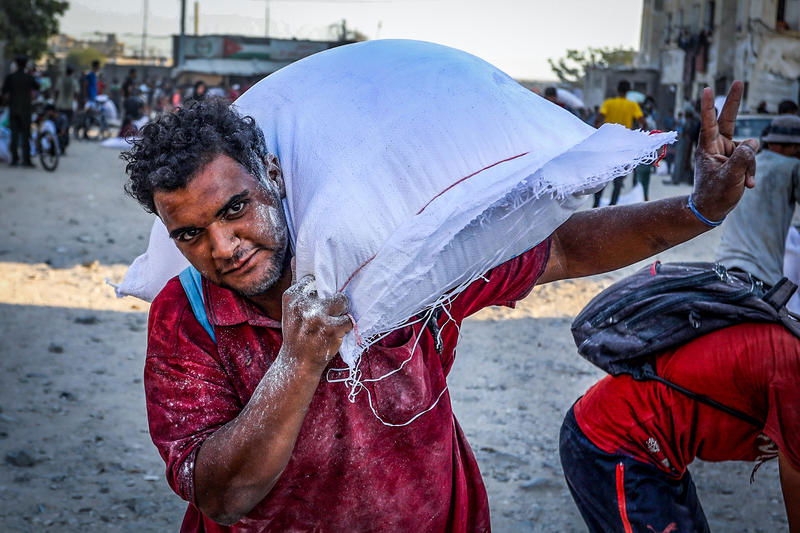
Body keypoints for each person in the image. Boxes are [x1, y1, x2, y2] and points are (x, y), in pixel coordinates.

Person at [122, 81, 757, 531]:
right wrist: (298, 361)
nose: (223, 247)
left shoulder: (396, 269)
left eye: (236, 209)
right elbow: (222, 497)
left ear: (273, 177)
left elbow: (560, 248)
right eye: (190, 234)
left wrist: (700, 209)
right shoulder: (189, 318)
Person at [559, 322, 800, 532]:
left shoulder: (788, 342)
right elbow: (796, 475)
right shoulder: (792, 367)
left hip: (648, 447)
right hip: (614, 443)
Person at [716, 115, 800, 285]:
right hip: (762, 274)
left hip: (724, 267)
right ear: (793, 147)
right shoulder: (792, 167)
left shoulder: (745, 165)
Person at [593, 80, 647, 207]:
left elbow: (598, 119)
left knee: (603, 176)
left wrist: (599, 132)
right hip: (623, 146)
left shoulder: (608, 103)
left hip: (607, 144)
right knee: (618, 178)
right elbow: (643, 122)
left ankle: (596, 204)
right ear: (628, 91)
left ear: (617, 90)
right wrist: (637, 135)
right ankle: (612, 205)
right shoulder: (632, 105)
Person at [1, 56, 39, 167]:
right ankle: (26, 160)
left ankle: (14, 159)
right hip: (26, 110)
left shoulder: (10, 77)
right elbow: (38, 87)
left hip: (13, 109)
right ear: (26, 64)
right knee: (26, 135)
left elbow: (4, 92)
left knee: (14, 135)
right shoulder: (29, 78)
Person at [54, 66, 79, 154]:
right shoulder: (74, 81)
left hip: (60, 106)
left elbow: (56, 91)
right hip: (69, 107)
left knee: (59, 126)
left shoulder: (60, 80)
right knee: (66, 126)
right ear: (72, 72)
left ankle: (59, 144)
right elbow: (76, 93)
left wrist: (55, 102)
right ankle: (64, 146)